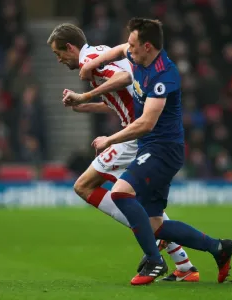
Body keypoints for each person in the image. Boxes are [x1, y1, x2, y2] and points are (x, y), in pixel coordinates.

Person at [80, 17, 232, 285]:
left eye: (133, 44)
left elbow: (146, 123)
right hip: (150, 147)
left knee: (120, 193)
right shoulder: (138, 56)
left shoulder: (165, 75)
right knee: (155, 226)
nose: (128, 49)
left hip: (164, 150)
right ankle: (218, 248)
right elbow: (118, 50)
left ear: (148, 46)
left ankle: (153, 262)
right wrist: (94, 65)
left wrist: (110, 140)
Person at [47, 23, 199, 282]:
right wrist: (83, 106)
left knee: (85, 186)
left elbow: (125, 79)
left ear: (70, 47)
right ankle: (185, 267)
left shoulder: (91, 60)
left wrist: (84, 96)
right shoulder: (99, 52)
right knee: (139, 202)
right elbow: (122, 98)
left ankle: (148, 235)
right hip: (133, 132)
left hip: (133, 135)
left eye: (58, 53)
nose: (59, 59)